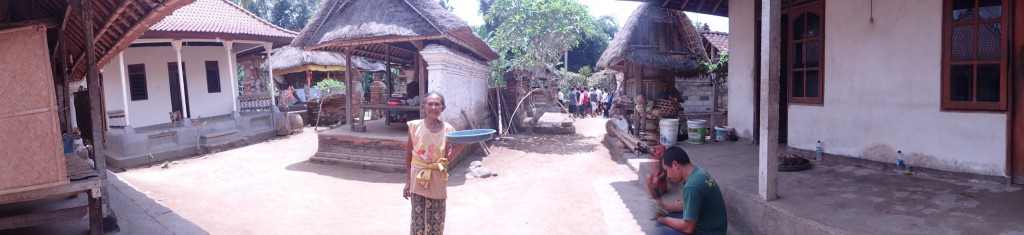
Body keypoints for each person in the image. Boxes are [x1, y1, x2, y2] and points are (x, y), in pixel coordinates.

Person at [404, 92, 467, 235]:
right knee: (417, 219)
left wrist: (461, 146)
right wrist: (408, 181)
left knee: (436, 221)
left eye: (437, 104)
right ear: (423, 107)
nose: (434, 107)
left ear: (443, 108)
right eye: (430, 104)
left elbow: (446, 159)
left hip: (437, 176)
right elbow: (408, 153)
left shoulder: (448, 129)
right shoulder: (414, 126)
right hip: (417, 176)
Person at [652, 146, 728, 235]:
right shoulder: (699, 172)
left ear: (675, 164)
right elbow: (686, 204)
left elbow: (688, 228)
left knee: (662, 231)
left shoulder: (692, 186)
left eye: (667, 170)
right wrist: (663, 206)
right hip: (715, 226)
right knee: (667, 216)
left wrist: (663, 220)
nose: (667, 175)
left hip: (711, 232)